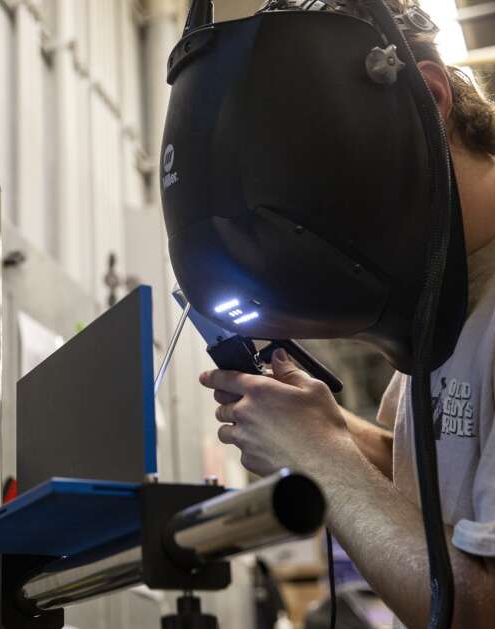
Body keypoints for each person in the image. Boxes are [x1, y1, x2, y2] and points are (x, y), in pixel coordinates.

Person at [198, 4, 495, 626]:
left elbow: (477, 610)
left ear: (428, 100)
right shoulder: (445, 296)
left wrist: (319, 457)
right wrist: (335, 430)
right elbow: (443, 476)